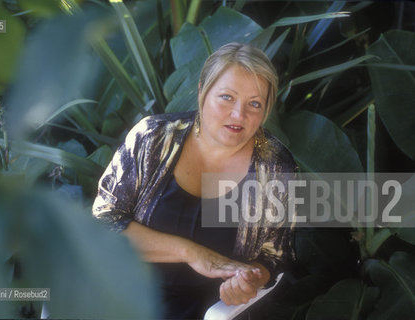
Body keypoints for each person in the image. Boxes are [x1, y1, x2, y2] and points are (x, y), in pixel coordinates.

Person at [92, 42, 297, 319]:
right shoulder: (152, 138)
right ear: (202, 91)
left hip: (207, 307)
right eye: (227, 97)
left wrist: (249, 280)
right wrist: (193, 254)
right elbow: (104, 222)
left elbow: (274, 257)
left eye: (255, 104)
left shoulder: (274, 167)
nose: (239, 115)